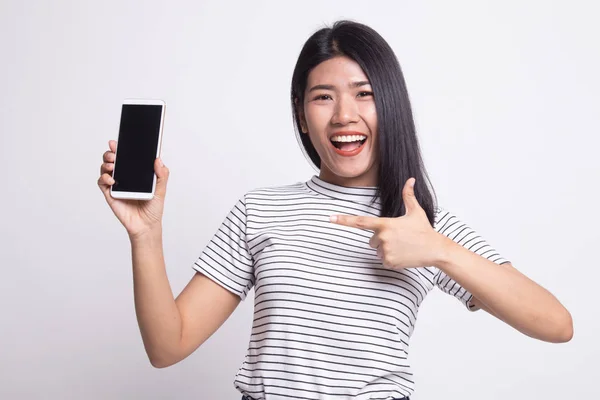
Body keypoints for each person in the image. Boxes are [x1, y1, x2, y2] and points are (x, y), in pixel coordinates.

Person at [97, 20, 573, 400]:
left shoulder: (423, 226)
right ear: (302, 114)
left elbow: (556, 324)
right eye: (323, 97)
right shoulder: (259, 210)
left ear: (391, 105)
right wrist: (146, 235)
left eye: (364, 93)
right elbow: (167, 346)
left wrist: (439, 251)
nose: (344, 114)